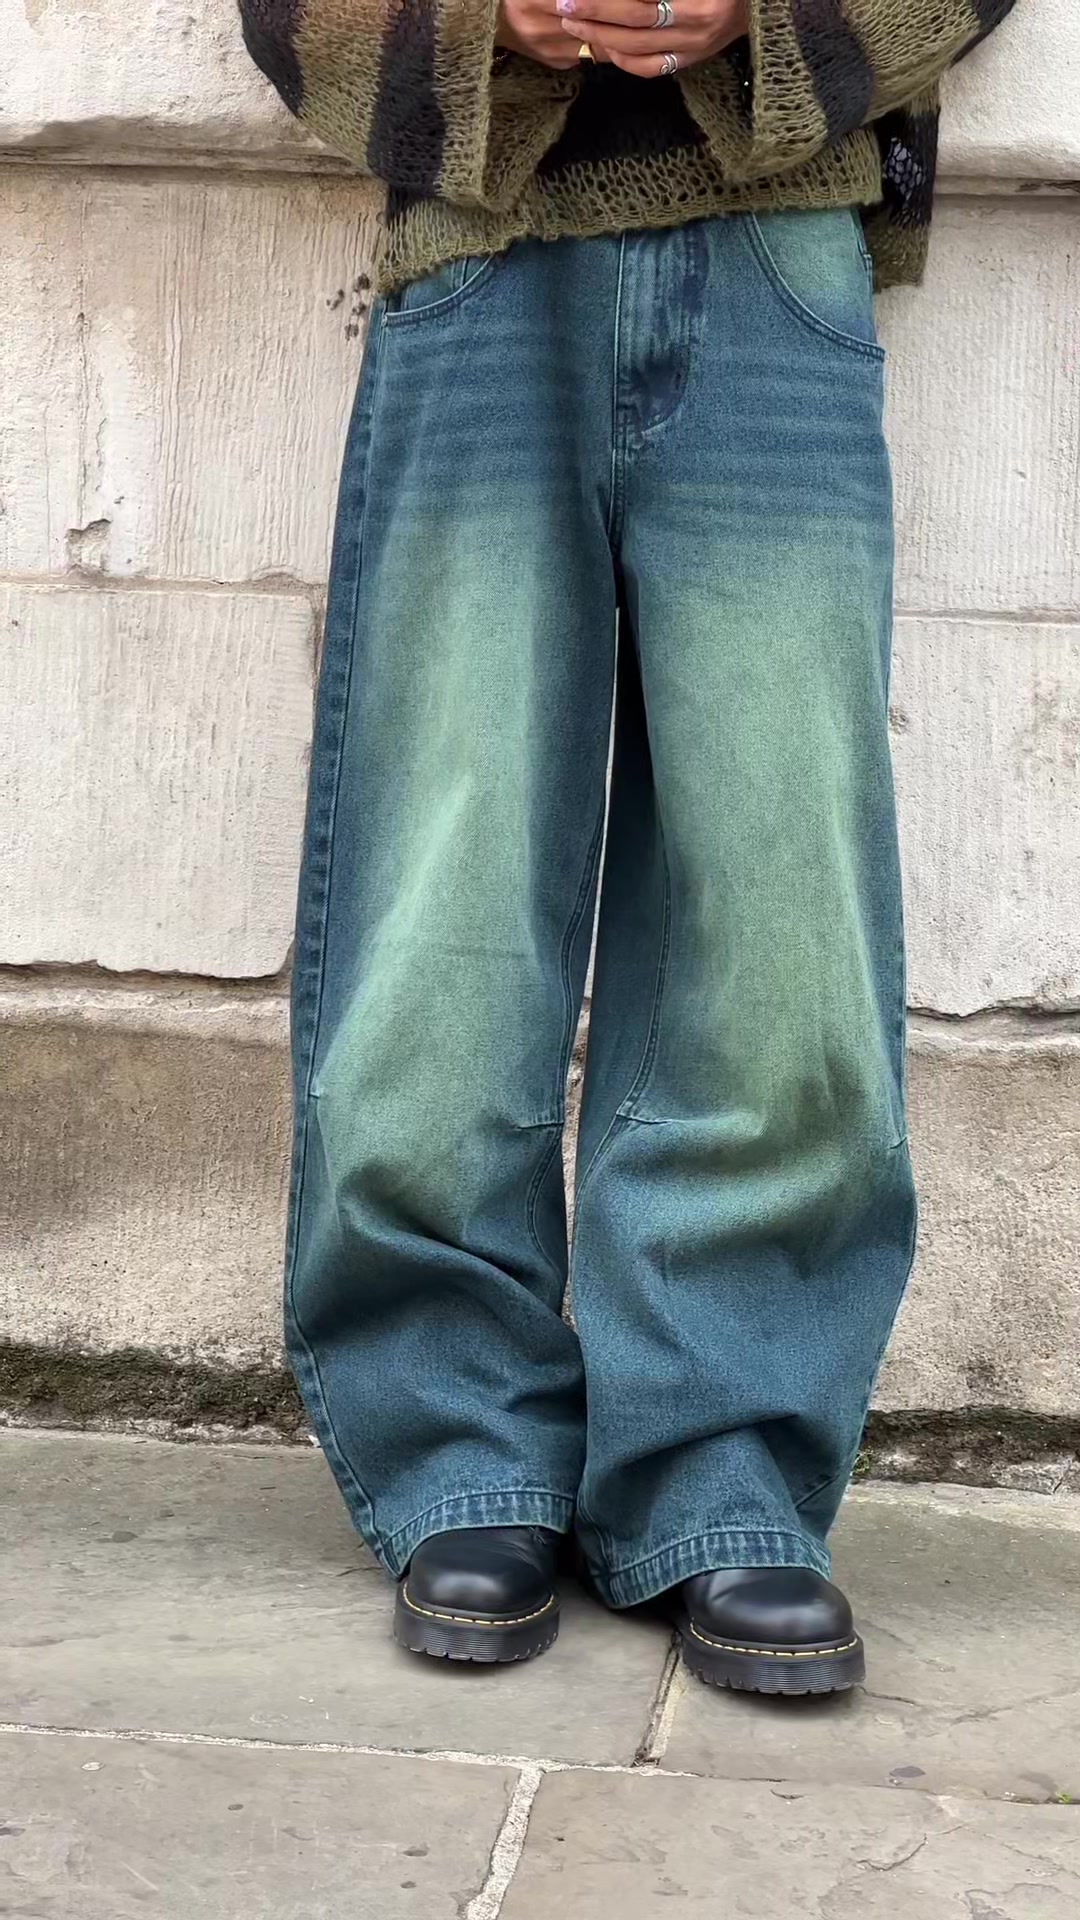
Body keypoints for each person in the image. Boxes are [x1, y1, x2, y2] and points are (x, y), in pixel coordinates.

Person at [238, 0, 1017, 1694]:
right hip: (477, 246)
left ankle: (723, 1463)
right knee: (444, 881)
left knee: (778, 897)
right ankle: (460, 1452)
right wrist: (481, 21)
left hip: (777, 237)